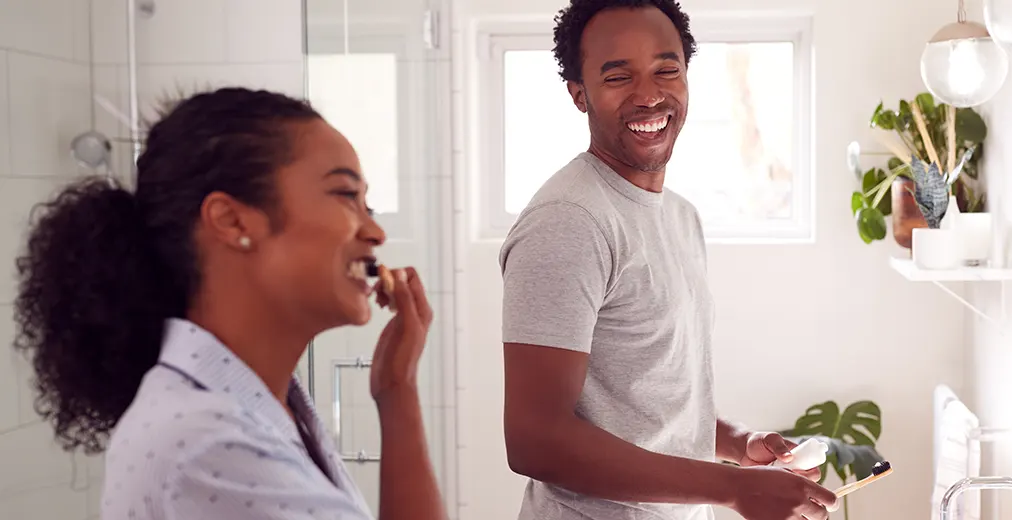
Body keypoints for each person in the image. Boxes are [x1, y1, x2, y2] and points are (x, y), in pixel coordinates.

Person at [12, 87, 447, 520]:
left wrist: (397, 390)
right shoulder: (209, 445)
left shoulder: (257, 408)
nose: (376, 232)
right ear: (231, 220)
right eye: (346, 195)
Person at [498, 1, 838, 519]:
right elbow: (534, 439)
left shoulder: (679, 216)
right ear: (579, 94)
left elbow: (648, 402)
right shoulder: (569, 221)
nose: (649, 94)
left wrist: (740, 444)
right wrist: (731, 489)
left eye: (666, 70)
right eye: (618, 77)